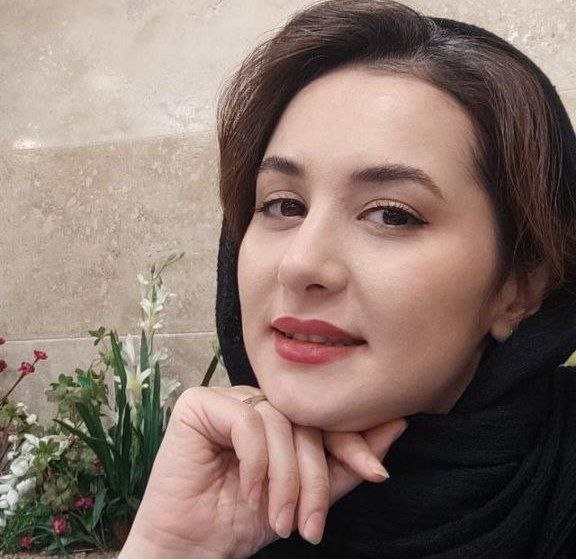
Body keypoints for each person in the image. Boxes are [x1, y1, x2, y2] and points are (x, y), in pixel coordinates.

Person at [120, 0, 576, 557]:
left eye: (392, 215)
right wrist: (171, 546)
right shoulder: (223, 493)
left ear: (519, 289)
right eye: (283, 205)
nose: (300, 265)